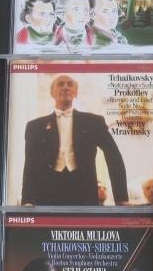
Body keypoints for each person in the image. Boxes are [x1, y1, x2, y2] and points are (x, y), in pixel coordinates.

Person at [21, 75, 129, 206]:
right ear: (52, 93)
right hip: (47, 193)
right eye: (60, 84)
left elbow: (114, 157)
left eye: (70, 84)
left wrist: (121, 198)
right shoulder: (35, 126)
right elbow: (30, 164)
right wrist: (28, 200)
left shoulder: (94, 122)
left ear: (76, 92)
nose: (66, 87)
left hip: (84, 192)